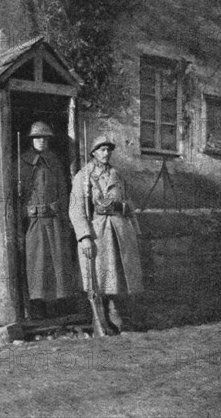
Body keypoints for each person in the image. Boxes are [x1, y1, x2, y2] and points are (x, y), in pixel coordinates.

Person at [69, 135, 143, 333]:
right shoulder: (83, 177)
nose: (106, 153)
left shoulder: (117, 175)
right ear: (93, 153)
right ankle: (102, 318)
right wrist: (84, 237)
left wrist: (134, 229)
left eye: (109, 149)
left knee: (119, 275)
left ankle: (116, 311)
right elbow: (76, 210)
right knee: (99, 276)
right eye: (102, 149)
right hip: (97, 232)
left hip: (119, 230)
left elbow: (130, 203)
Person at [18, 121, 78, 319]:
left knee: (57, 263)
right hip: (33, 223)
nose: (41, 141)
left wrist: (62, 215)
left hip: (53, 221)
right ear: (31, 140)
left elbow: (63, 190)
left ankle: (57, 306)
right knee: (36, 265)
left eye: (44, 137)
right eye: (37, 138)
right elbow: (15, 195)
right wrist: (22, 217)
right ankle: (37, 307)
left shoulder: (54, 162)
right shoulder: (21, 163)